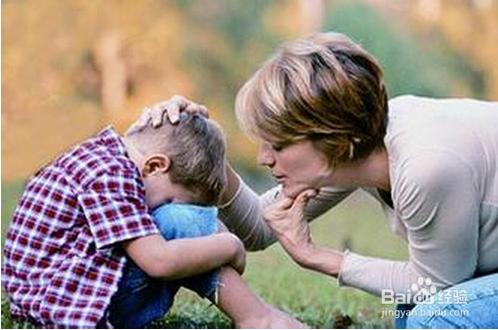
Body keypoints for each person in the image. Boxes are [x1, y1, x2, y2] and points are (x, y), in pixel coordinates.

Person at [134, 32, 498, 328]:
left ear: (334, 140)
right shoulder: (358, 147)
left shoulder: (427, 166)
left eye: (277, 143)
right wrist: (196, 147)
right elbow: (261, 227)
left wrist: (318, 257)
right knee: (407, 314)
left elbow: (436, 287)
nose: (263, 157)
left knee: (435, 319)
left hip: (444, 287)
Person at [2, 112, 306, 328]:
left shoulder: (102, 155)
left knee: (180, 223)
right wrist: (231, 245)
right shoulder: (111, 175)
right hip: (73, 304)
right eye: (170, 197)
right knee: (182, 220)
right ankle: (256, 317)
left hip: (53, 294)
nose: (159, 208)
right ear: (156, 165)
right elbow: (158, 261)